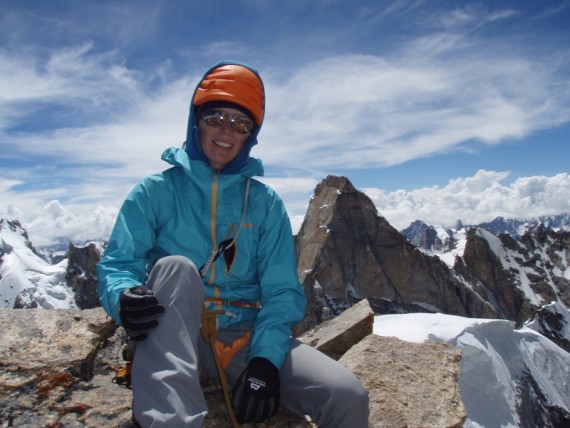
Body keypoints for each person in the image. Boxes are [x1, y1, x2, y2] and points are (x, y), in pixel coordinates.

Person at [97, 60, 369, 427]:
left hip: (243, 336)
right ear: (196, 122)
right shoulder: (155, 192)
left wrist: (263, 363)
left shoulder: (264, 203)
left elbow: (281, 292)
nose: (226, 131)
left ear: (250, 135)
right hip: (173, 331)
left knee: (347, 397)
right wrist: (124, 296)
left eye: (240, 124)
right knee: (175, 268)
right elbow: (118, 265)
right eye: (215, 118)